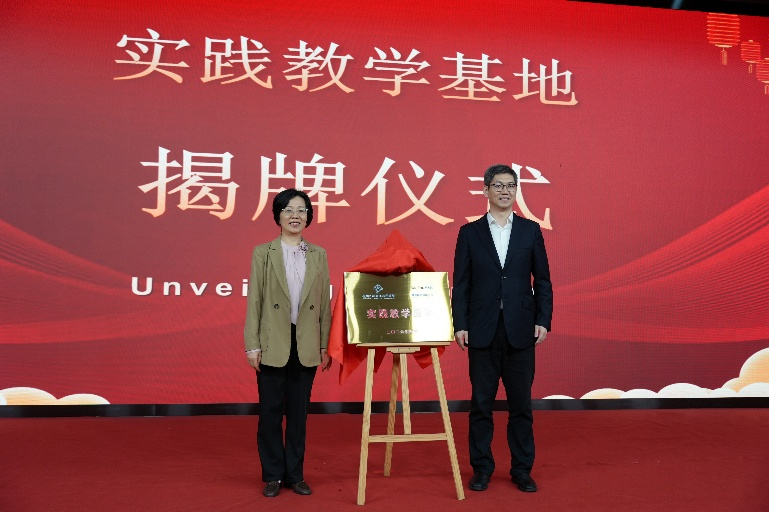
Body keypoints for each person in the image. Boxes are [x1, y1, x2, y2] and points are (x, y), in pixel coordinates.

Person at [452, 164, 553, 493]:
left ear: (516, 190)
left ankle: (522, 469)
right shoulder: (470, 233)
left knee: (521, 405)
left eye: (511, 185)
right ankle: (481, 468)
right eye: (498, 185)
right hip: (481, 329)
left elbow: (543, 280)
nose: (505, 191)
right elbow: (461, 283)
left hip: (521, 329)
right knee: (481, 404)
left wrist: (543, 319)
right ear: (486, 190)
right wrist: (460, 324)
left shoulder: (530, 230)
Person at [244, 188, 332, 498]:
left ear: (308, 216)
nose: (295, 215)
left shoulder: (318, 254)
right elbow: (255, 300)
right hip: (273, 342)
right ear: (278, 216)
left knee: (298, 414)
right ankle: (272, 475)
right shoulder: (263, 253)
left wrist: (324, 344)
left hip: (306, 342)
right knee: (270, 412)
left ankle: (295, 475)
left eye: (301, 210)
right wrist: (252, 344)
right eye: (288, 210)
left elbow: (324, 304)